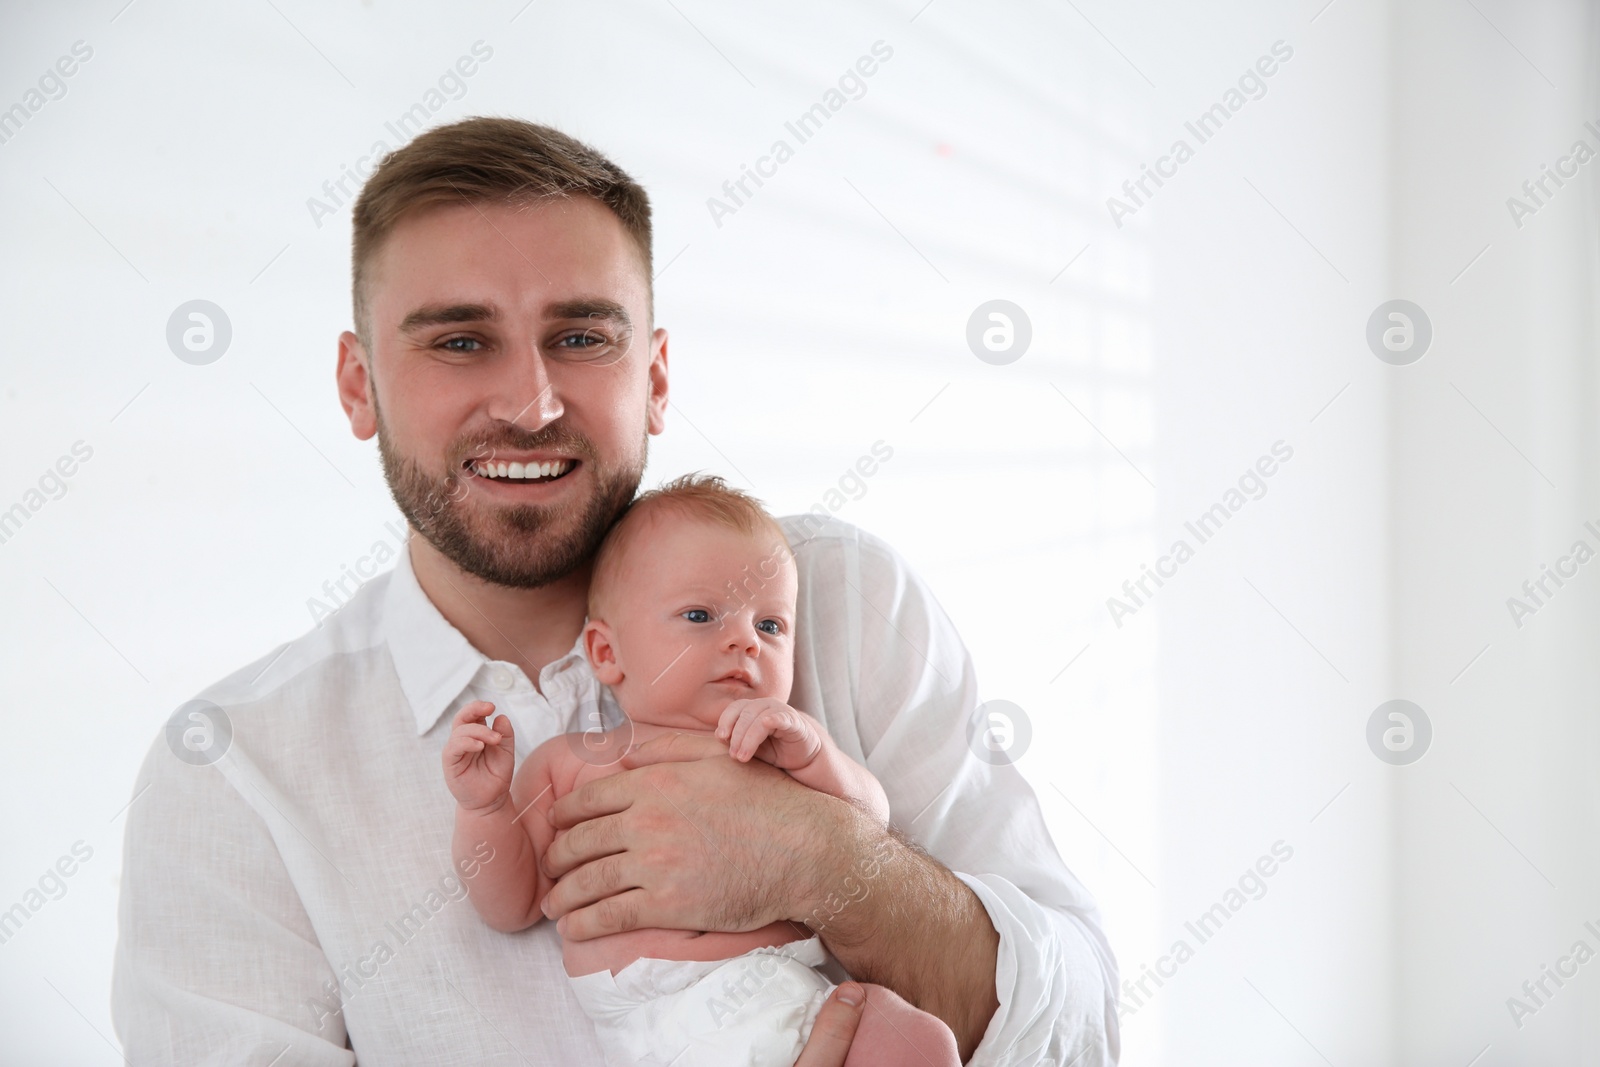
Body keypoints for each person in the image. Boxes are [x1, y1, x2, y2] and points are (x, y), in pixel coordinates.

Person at [111, 116, 1119, 1065]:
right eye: (460, 339)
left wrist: (824, 857)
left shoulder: (840, 602)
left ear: (658, 376)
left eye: (583, 336)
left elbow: (1081, 1026)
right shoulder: (234, 777)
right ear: (357, 384)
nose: (530, 401)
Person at [444, 474, 962, 1066]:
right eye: (700, 615)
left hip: (789, 995)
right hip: (659, 1018)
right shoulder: (571, 764)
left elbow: (871, 821)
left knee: (921, 1042)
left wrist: (817, 754)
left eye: (770, 625)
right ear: (607, 653)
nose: (745, 641)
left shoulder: (774, 747)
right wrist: (484, 809)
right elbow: (509, 904)